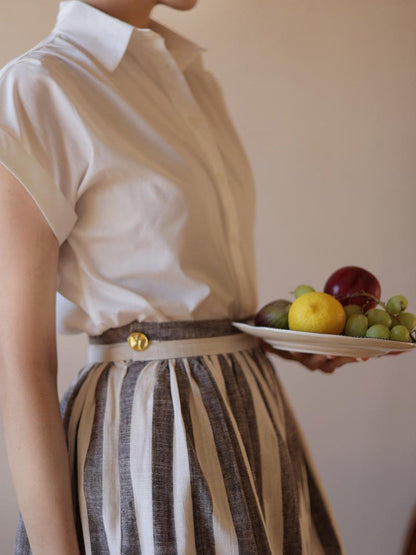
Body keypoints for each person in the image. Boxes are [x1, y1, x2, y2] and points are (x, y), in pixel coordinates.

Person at [0, 0, 359, 553]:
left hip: (251, 413)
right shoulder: (39, 88)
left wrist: (280, 334)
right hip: (149, 439)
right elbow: (17, 361)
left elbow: (190, 287)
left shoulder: (191, 77)